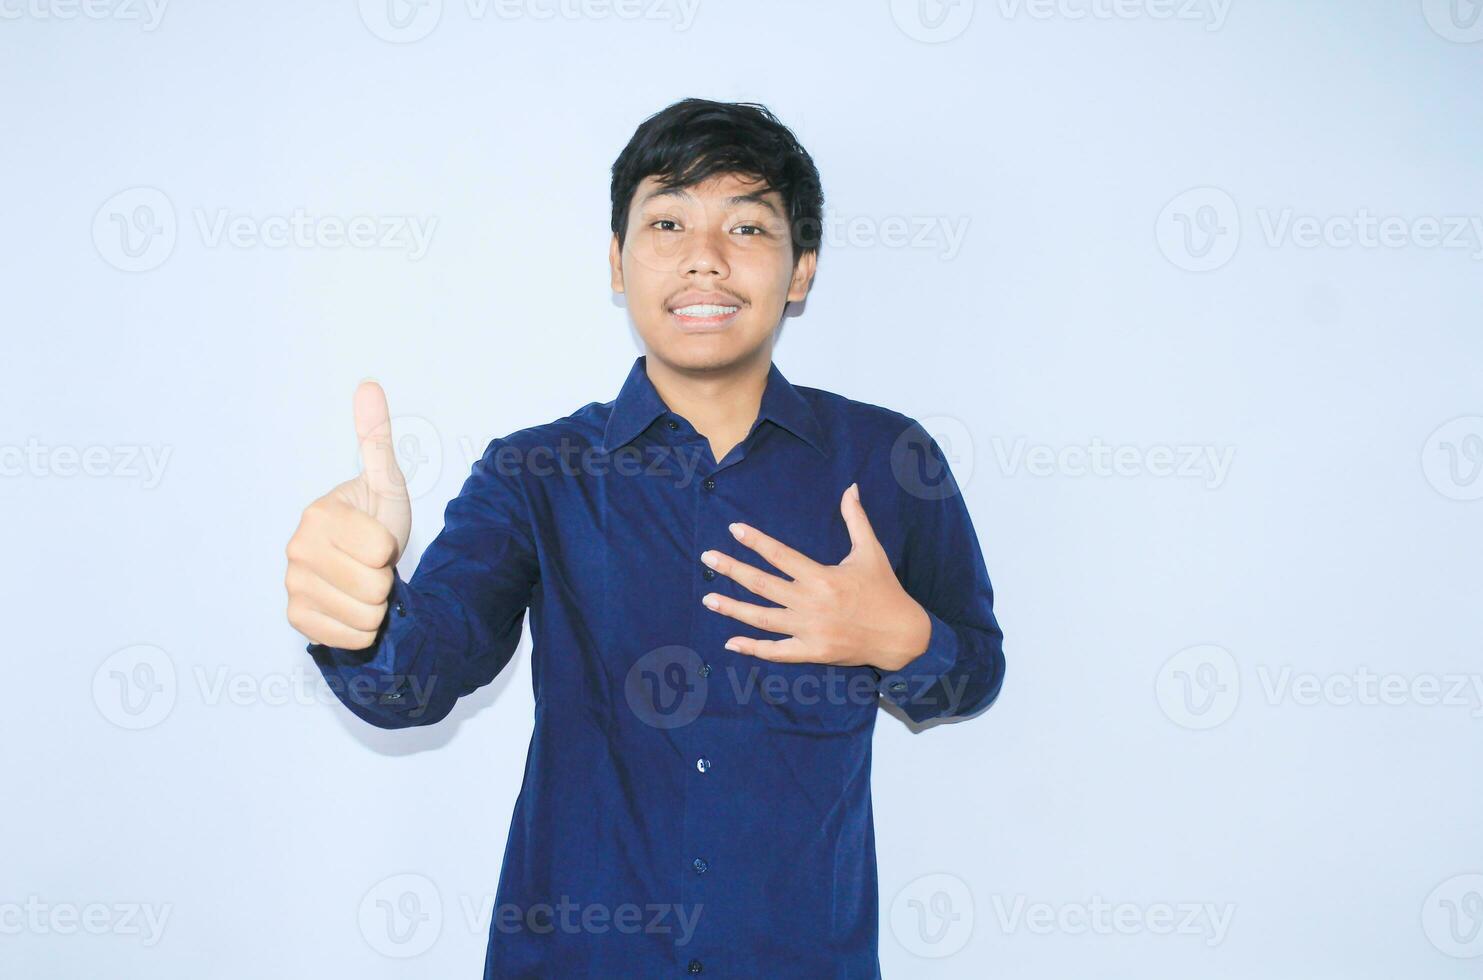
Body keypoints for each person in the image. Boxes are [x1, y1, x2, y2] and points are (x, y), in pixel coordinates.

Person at [284, 97, 1006, 978]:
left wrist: (900, 638)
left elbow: (973, 674)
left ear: (802, 270)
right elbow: (421, 678)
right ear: (618, 263)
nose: (704, 257)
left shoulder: (888, 460)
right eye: (666, 221)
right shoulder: (533, 473)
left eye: (746, 225)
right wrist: (355, 612)